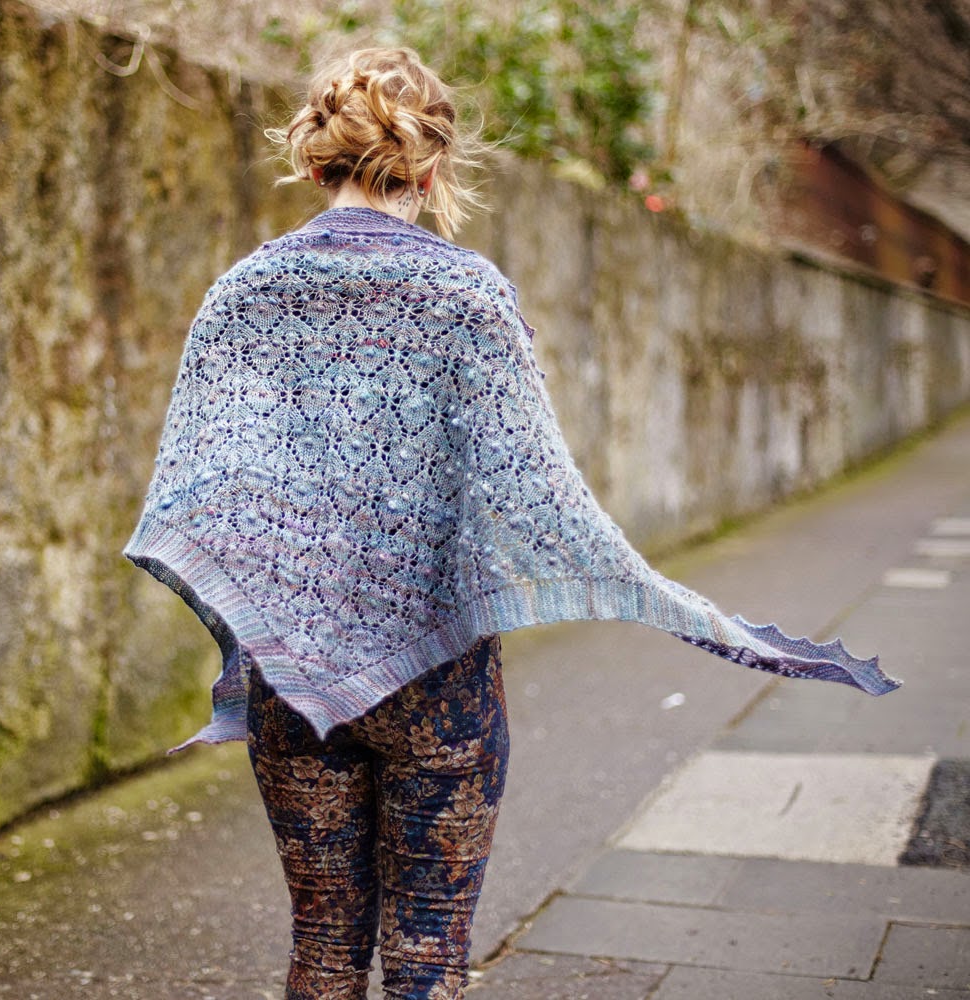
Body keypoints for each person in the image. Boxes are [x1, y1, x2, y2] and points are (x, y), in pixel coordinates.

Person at [125, 46, 899, 1000]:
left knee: (323, 952)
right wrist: (687, 610)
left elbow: (199, 494)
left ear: (316, 160)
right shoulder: (469, 295)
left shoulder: (241, 293)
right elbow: (536, 489)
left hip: (291, 680)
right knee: (427, 961)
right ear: (431, 166)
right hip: (440, 688)